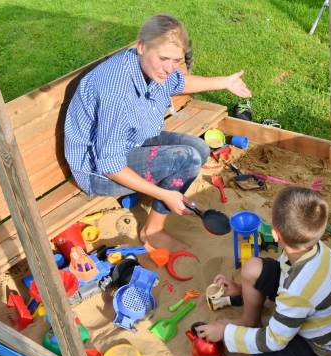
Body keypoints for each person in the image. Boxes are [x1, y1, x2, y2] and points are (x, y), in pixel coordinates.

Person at [64, 14, 251, 249]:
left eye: (176, 60)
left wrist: (225, 82)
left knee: (200, 148)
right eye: (164, 59)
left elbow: (179, 83)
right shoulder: (116, 91)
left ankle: (159, 193)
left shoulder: (150, 67)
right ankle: (152, 230)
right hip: (97, 171)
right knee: (187, 160)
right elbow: (109, 165)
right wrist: (164, 195)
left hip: (131, 140)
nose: (169, 68)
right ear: (141, 46)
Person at [197, 187, 331, 356]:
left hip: (319, 340)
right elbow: (284, 274)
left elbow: (274, 340)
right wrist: (240, 289)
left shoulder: (297, 291)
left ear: (274, 234)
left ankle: (247, 329)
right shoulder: (313, 247)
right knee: (252, 267)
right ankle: (249, 321)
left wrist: (226, 332)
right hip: (311, 304)